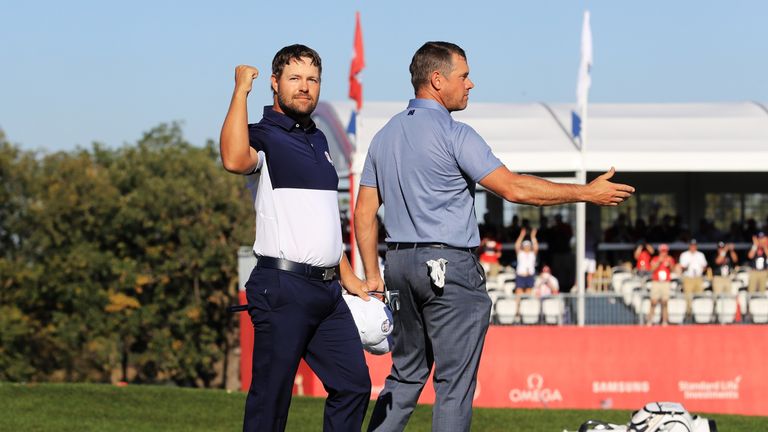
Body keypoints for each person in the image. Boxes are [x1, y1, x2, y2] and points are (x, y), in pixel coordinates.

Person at [353, 41, 634, 432]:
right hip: (448, 269)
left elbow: (363, 213)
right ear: (437, 80)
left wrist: (373, 274)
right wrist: (585, 192)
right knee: (453, 385)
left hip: (399, 266)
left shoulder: (384, 137)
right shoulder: (455, 133)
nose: (471, 84)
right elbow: (514, 189)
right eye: (464, 76)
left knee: (405, 377)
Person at [219, 44, 371, 432]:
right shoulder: (264, 135)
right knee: (271, 402)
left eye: (312, 79)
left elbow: (319, 223)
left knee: (354, 385)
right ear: (275, 83)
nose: (305, 87)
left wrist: (348, 275)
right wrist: (240, 90)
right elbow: (234, 160)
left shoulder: (318, 140)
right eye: (295, 79)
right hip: (282, 286)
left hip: (327, 291)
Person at [647, 243, 675, 326]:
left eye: (665, 251)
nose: (664, 253)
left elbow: (673, 270)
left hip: (665, 282)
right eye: (662, 251)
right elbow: (651, 269)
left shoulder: (670, 259)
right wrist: (659, 262)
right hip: (656, 282)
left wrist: (669, 265)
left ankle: (665, 320)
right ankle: (650, 320)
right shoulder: (655, 259)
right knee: (653, 301)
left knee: (665, 302)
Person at [678, 239, 708, 315]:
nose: (693, 247)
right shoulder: (684, 255)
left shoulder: (700, 255)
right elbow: (682, 267)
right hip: (688, 278)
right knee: (688, 297)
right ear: (689, 246)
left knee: (699, 295)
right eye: (691, 245)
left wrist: (701, 271)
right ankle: (689, 314)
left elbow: (705, 266)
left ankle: (699, 314)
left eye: (694, 245)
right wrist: (686, 267)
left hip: (698, 277)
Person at [514, 228, 538, 294]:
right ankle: (517, 304)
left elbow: (536, 247)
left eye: (528, 246)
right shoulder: (520, 253)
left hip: (530, 275)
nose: (527, 247)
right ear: (523, 246)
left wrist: (533, 237)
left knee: (529, 293)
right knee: (519, 292)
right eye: (525, 246)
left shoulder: (532, 254)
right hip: (521, 275)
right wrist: (521, 235)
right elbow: (517, 245)